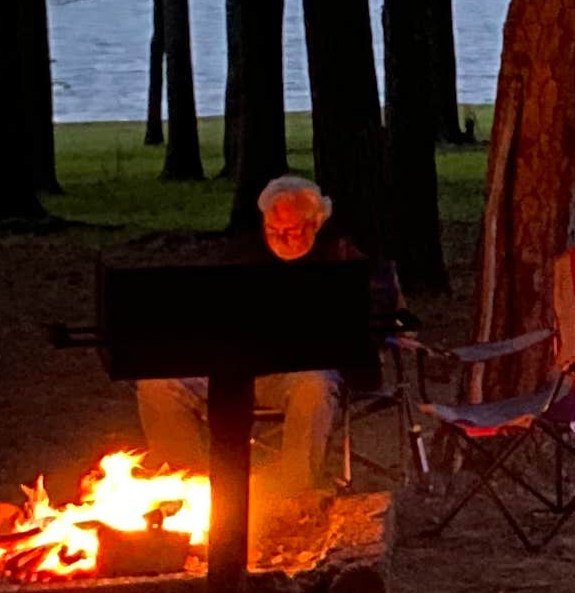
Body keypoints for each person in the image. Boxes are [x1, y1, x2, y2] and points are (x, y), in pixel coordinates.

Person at [135, 176, 398, 497]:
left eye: (292, 230)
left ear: (316, 223)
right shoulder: (242, 255)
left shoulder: (344, 258)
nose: (281, 237)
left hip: (299, 373)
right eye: (273, 229)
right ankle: (186, 489)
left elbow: (378, 318)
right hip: (233, 369)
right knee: (158, 384)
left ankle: (294, 496)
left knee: (314, 386)